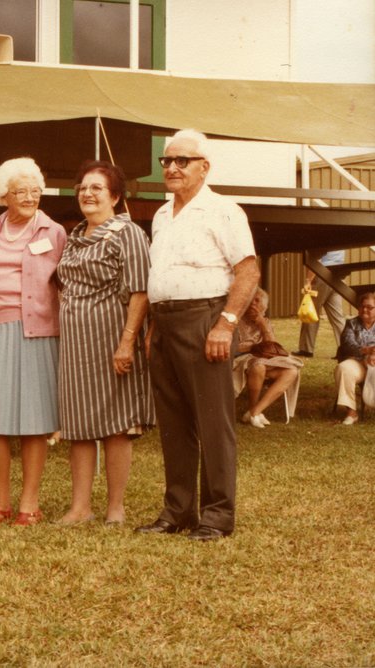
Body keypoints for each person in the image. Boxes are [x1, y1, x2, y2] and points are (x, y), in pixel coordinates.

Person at [136, 129, 258, 542]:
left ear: (204, 167)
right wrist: (155, 324)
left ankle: (217, 516)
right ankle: (178, 511)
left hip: (205, 320)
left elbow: (248, 271)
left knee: (213, 423)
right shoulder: (161, 214)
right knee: (174, 424)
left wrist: (224, 324)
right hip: (165, 325)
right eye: (166, 162)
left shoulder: (224, 210)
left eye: (181, 161)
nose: (171, 168)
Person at [56, 160, 154, 526]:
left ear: (114, 196)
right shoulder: (75, 235)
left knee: (116, 424)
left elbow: (140, 291)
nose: (87, 193)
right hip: (75, 345)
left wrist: (127, 342)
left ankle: (116, 507)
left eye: (97, 187)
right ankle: (80, 507)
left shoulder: (127, 234)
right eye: (83, 187)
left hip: (113, 338)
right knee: (79, 425)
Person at [0, 157, 64, 527]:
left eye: (35, 190)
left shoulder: (53, 231)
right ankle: (0, 503)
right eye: (20, 190)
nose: (29, 196)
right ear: (4, 196)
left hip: (36, 332)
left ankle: (29, 504)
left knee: (34, 419)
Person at [232, 287, 302, 428]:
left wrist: (262, 324)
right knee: (258, 366)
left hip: (262, 361)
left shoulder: (266, 322)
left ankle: (255, 411)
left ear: (264, 306)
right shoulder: (236, 320)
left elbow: (272, 347)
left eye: (257, 300)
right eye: (250, 300)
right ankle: (254, 411)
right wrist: (253, 347)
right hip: (240, 361)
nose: (253, 303)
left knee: (292, 371)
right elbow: (232, 349)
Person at [333, 291, 375, 426]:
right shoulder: (351, 323)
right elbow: (347, 345)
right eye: (362, 306)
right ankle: (351, 413)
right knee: (344, 369)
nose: (365, 310)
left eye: (370, 307)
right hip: (357, 362)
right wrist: (366, 352)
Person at [295, 250, 346, 358]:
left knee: (311, 310)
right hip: (338, 274)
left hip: (322, 274)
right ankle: (346, 349)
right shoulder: (341, 234)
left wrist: (308, 280)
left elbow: (316, 259)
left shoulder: (323, 235)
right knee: (337, 317)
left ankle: (306, 349)